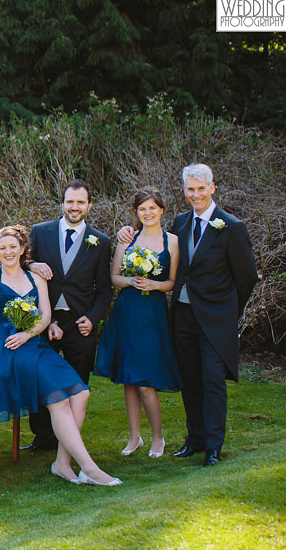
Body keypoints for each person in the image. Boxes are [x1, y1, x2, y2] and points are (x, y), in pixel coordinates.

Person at [118, 164, 258, 466]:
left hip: (215, 319)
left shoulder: (232, 226)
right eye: (190, 189)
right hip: (182, 315)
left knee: (212, 380)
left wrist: (227, 310)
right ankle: (194, 439)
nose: (196, 194)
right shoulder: (181, 223)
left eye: (201, 188)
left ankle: (213, 446)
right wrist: (126, 232)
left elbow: (247, 276)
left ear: (212, 188)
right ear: (185, 191)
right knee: (190, 378)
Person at [0, 227, 120, 486]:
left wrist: (27, 335)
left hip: (33, 343)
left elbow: (45, 317)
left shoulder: (36, 278)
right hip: (9, 350)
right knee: (59, 401)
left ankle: (62, 463)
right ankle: (88, 468)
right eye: (2, 248)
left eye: (12, 247)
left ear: (22, 249)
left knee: (81, 393)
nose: (8, 252)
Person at [23, 180, 112, 451]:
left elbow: (105, 289)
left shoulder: (101, 242)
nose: (75, 207)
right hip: (44, 320)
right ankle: (42, 437)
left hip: (79, 323)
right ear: (62, 203)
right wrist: (33, 263)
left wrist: (93, 318)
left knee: (77, 381)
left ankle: (69, 440)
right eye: (70, 202)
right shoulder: (40, 232)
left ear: (89, 205)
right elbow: (20, 264)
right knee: (40, 377)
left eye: (80, 202)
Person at [94, 187, 182, 458]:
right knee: (129, 380)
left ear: (162, 210)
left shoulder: (173, 242)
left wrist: (155, 284)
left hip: (152, 315)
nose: (148, 213)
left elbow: (173, 283)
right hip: (127, 312)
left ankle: (158, 437)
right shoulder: (127, 239)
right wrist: (131, 281)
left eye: (152, 208)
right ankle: (134, 438)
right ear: (136, 212)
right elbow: (114, 277)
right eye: (142, 209)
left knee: (145, 382)